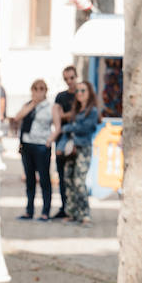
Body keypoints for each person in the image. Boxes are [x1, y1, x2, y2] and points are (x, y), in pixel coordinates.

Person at [58, 79, 100, 226]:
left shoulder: (92, 111)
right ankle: (72, 213)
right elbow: (69, 132)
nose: (80, 93)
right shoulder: (75, 110)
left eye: (83, 90)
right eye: (78, 91)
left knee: (79, 181)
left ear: (89, 93)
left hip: (83, 149)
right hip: (71, 149)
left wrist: (68, 127)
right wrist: (61, 146)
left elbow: (85, 128)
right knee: (68, 180)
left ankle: (85, 214)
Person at [13, 79, 55, 220]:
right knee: (29, 179)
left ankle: (45, 212)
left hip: (42, 146)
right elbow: (17, 117)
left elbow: (57, 125)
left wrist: (49, 140)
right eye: (35, 89)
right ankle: (29, 211)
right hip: (27, 145)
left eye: (41, 88)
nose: (38, 91)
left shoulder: (50, 107)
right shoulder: (28, 105)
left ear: (46, 91)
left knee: (44, 179)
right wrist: (33, 104)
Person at [52, 65, 78, 219]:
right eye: (66, 79)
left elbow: (82, 114)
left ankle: (75, 209)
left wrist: (65, 115)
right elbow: (57, 116)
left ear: (76, 77)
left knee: (75, 177)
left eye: (71, 78)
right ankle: (64, 208)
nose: (69, 81)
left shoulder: (82, 93)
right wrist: (69, 115)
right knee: (62, 176)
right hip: (61, 140)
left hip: (77, 141)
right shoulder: (60, 96)